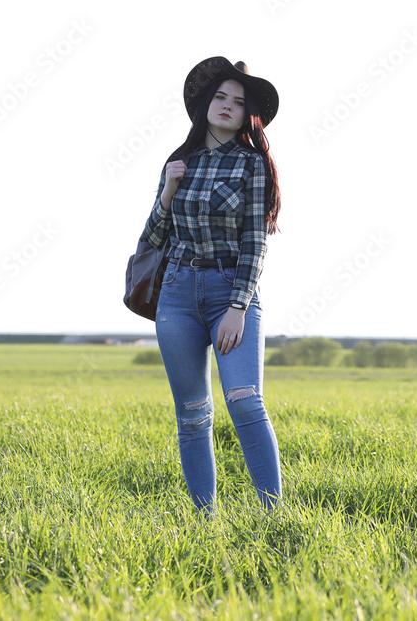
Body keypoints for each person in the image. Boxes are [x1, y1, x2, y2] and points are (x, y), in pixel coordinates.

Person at [141, 56, 282, 513]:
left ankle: (274, 514)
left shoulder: (252, 165)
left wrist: (238, 306)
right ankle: (204, 520)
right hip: (177, 294)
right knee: (193, 415)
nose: (227, 106)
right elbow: (151, 240)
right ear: (204, 103)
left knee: (244, 401)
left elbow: (255, 242)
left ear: (247, 115)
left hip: (230, 290)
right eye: (220, 96)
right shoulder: (178, 162)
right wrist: (166, 194)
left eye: (238, 102)